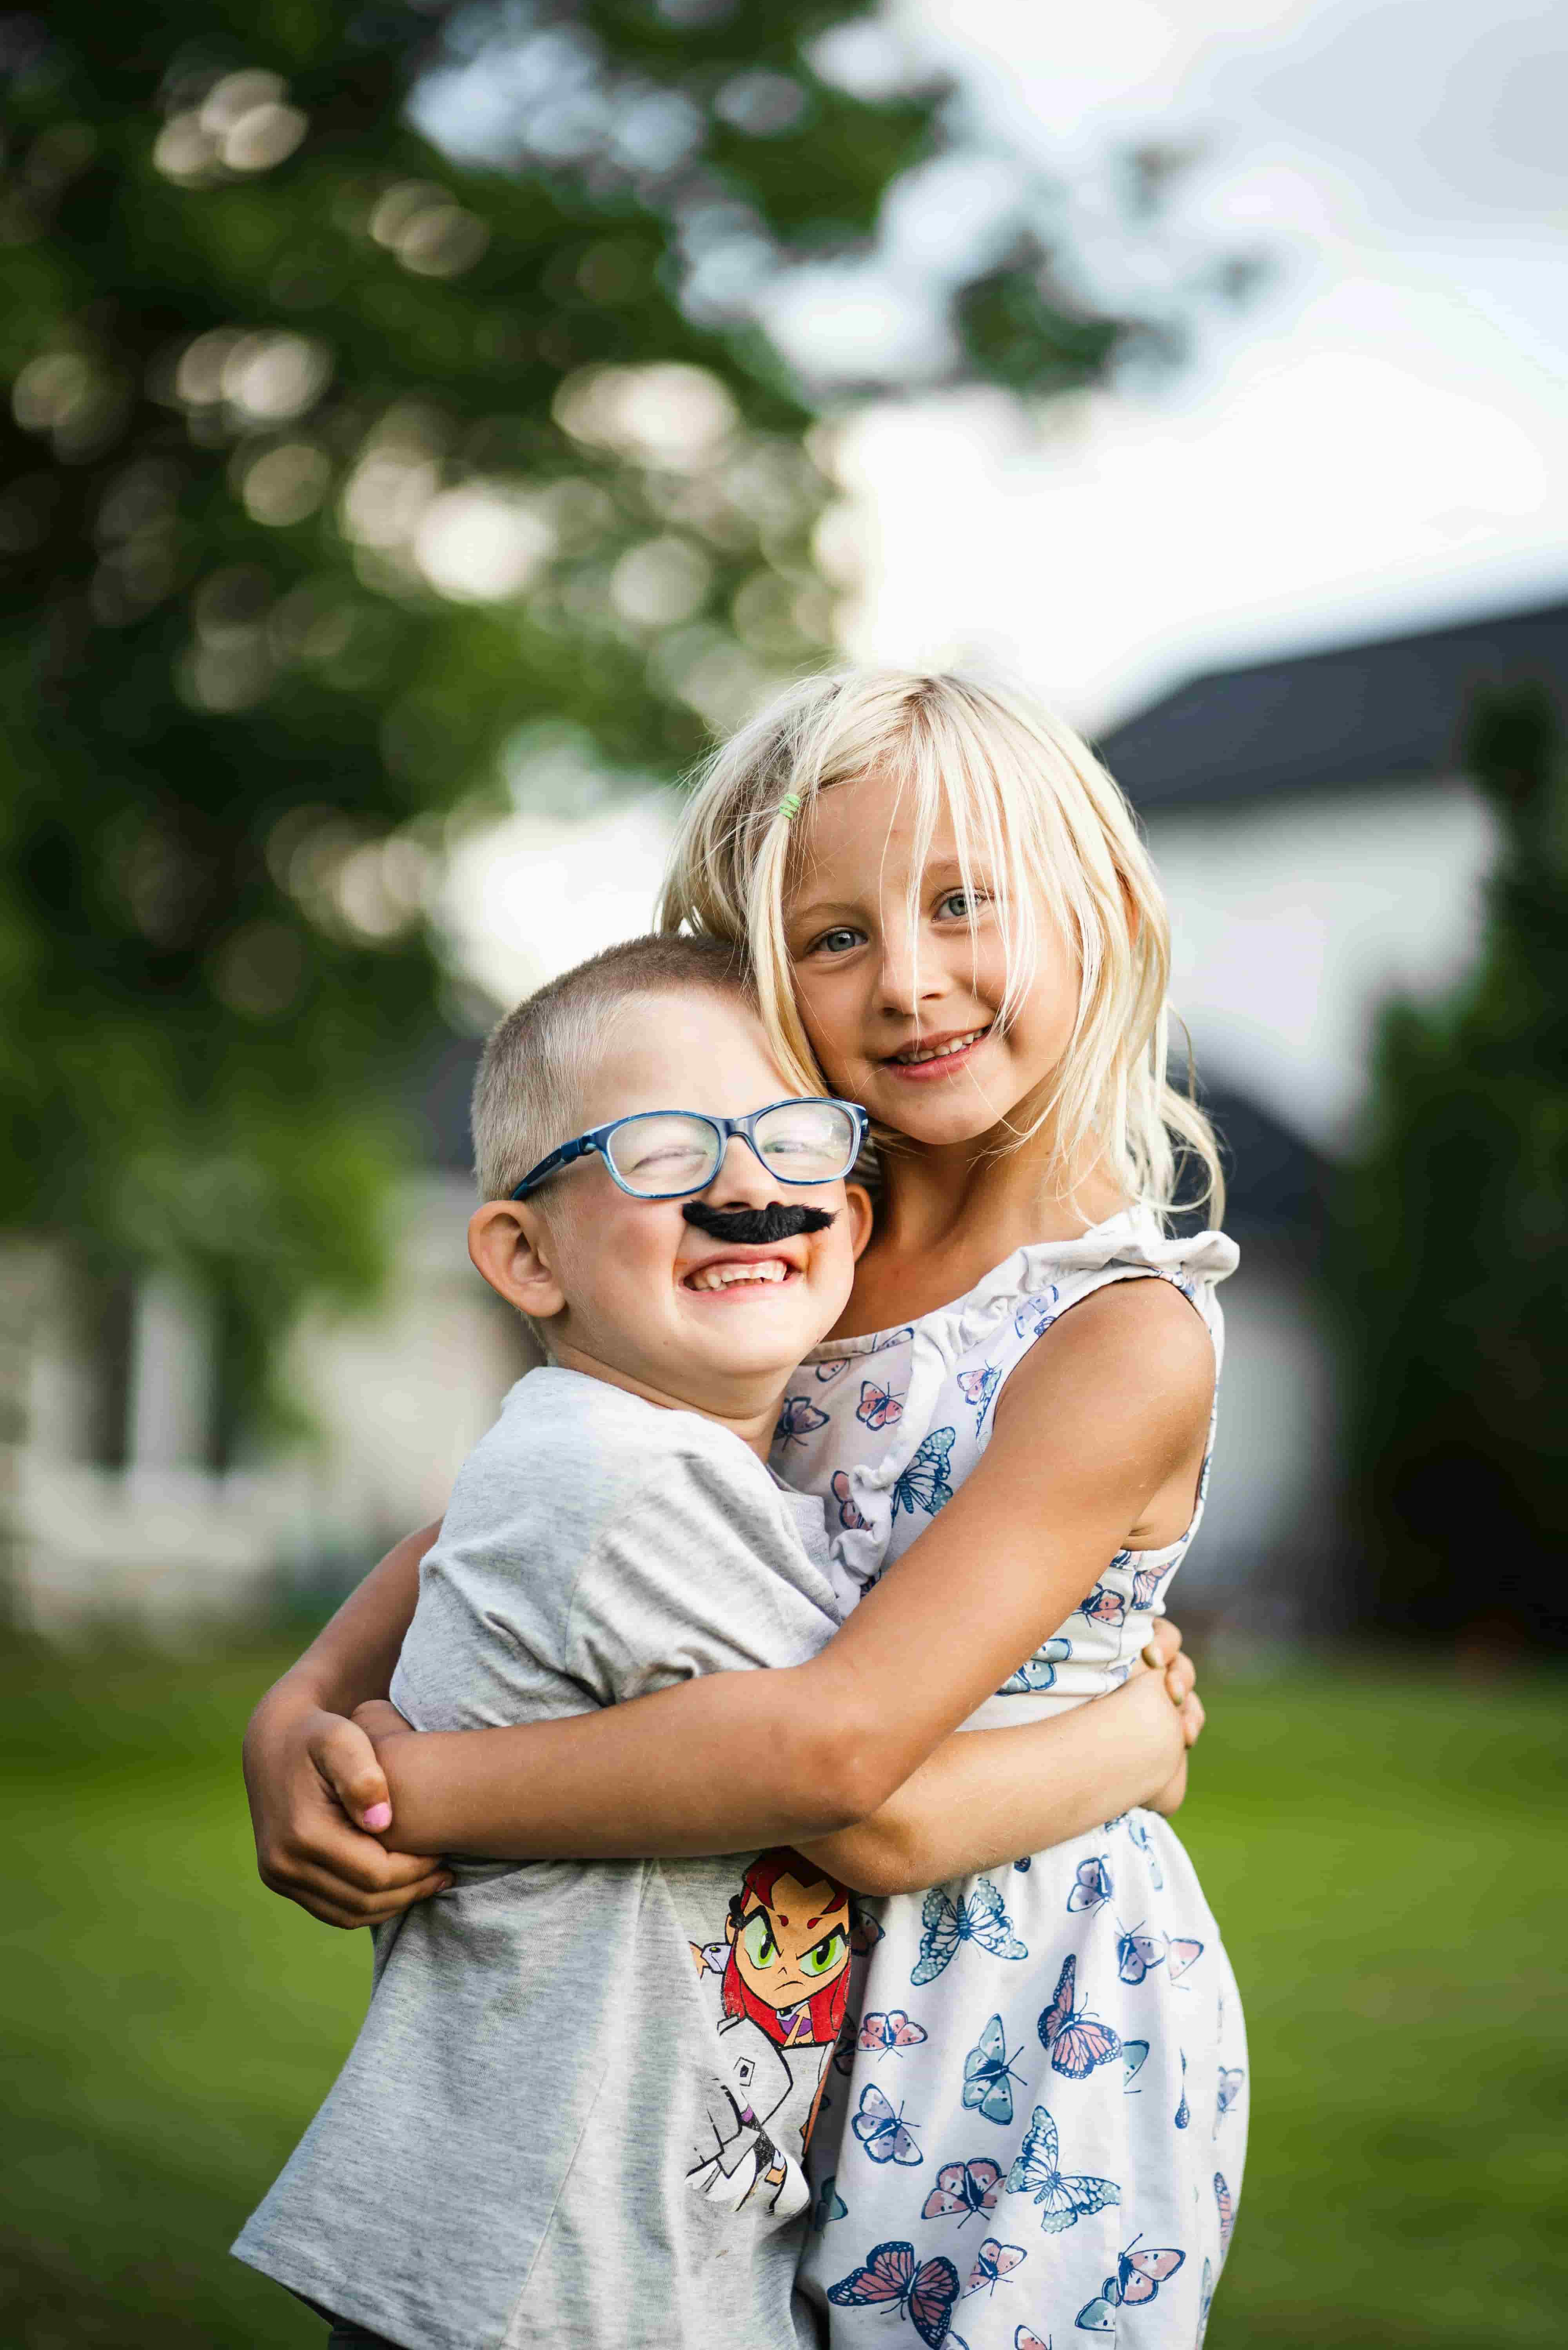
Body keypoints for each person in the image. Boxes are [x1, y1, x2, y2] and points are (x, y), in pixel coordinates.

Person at [245, 667, 1243, 2348]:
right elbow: (528, 1499)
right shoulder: (793, 1238)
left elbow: (860, 1779)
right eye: (834, 937)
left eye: (959, 906)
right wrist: (294, 1717)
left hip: (1013, 2024)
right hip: (753, 1992)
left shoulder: (1115, 1334)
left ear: (1108, 912)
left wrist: (414, 1786)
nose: (908, 981)